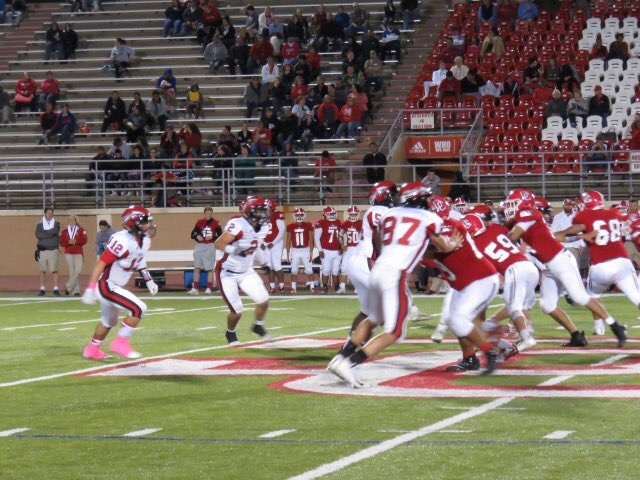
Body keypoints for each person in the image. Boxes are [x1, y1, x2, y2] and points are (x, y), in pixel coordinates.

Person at [327, 183, 471, 387]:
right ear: (417, 199)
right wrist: (453, 243)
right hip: (395, 274)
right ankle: (349, 364)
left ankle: (341, 357)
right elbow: (442, 246)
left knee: (374, 318)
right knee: (395, 331)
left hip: (378, 268)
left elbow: (384, 236)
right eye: (426, 199)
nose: (428, 202)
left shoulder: (390, 214)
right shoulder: (429, 218)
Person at [505, 189, 626, 347]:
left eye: (513, 203)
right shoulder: (531, 221)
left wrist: (503, 234)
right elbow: (555, 237)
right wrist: (581, 236)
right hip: (550, 266)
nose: (509, 208)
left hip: (560, 260)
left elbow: (513, 236)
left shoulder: (528, 213)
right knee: (547, 305)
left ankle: (615, 326)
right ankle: (576, 336)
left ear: (524, 203)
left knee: (579, 297)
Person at [556, 190, 638, 336]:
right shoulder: (613, 213)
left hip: (600, 265)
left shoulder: (584, 216)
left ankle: (599, 327)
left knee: (592, 295)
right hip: (622, 262)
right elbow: (627, 228)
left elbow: (561, 235)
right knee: (637, 297)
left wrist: (583, 235)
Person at [81, 206, 158, 360]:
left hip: (115, 285)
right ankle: (120, 342)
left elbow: (139, 260)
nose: (147, 225)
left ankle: (92, 349)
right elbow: (100, 263)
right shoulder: (122, 240)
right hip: (107, 285)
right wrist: (90, 288)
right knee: (139, 308)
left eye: (147, 222)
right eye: (143, 222)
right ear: (131, 223)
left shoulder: (144, 240)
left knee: (108, 321)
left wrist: (148, 279)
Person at [466, 210, 537, 351]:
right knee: (521, 306)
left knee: (513, 307)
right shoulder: (497, 228)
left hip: (513, 269)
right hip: (529, 265)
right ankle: (522, 333)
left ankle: (526, 337)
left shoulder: (475, 245)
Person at [214, 196, 271, 344]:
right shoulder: (238, 224)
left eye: (264, 211)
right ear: (249, 212)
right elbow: (218, 243)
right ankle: (230, 332)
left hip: (246, 271)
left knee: (263, 300)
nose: (264, 215)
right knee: (237, 311)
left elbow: (256, 246)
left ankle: (257, 326)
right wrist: (235, 250)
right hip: (227, 273)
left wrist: (264, 263)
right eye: (260, 212)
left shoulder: (263, 227)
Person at [188, 207, 221, 295]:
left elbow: (220, 235)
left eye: (210, 213)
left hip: (210, 245)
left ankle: (209, 288)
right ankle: (195, 288)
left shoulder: (216, 223)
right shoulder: (200, 222)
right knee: (197, 267)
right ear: (204, 213)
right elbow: (193, 233)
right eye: (207, 213)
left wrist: (213, 237)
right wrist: (197, 236)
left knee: (209, 267)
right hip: (200, 245)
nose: (208, 215)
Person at [286, 207, 316, 293]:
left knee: (309, 270)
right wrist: (288, 253)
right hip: (295, 250)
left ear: (304, 215)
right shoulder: (290, 226)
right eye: (297, 215)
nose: (299, 216)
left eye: (301, 215)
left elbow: (311, 240)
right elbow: (288, 241)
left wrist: (310, 252)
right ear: (294, 216)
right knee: (294, 270)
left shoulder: (308, 225)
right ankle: (293, 288)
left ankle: (312, 287)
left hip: (305, 250)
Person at [314, 206, 342, 293]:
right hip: (326, 250)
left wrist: (341, 247)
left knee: (336, 270)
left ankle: (336, 286)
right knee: (326, 269)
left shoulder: (338, 222)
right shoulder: (321, 223)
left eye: (333, 213)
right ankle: (325, 286)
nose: (332, 215)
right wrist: (320, 250)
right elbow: (317, 238)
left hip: (337, 250)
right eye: (330, 214)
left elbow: (340, 237)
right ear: (325, 214)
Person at [35, 207, 61, 297]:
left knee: (54, 270)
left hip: (53, 249)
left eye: (51, 213)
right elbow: (39, 235)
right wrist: (50, 233)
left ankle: (56, 288)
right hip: (42, 250)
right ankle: (42, 289)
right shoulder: (39, 224)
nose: (50, 214)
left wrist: (45, 233)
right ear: (45, 213)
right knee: (42, 270)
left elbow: (55, 232)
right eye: (49, 213)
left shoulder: (56, 223)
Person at [59, 215, 87, 297]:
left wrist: (76, 241)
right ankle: (76, 291)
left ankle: (68, 286)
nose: (71, 221)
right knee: (72, 272)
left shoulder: (81, 230)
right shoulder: (64, 231)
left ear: (75, 221)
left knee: (78, 270)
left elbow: (85, 240)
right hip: (68, 252)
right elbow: (61, 242)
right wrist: (68, 242)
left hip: (78, 252)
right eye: (69, 220)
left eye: (73, 220)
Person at [262, 199, 286, 293]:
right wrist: (261, 243)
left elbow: (281, 231)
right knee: (269, 266)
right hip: (266, 243)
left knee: (276, 265)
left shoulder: (277, 215)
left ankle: (281, 286)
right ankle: (272, 286)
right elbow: (258, 232)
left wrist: (273, 242)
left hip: (276, 243)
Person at [337, 206, 361, 293]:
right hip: (349, 248)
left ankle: (358, 287)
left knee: (357, 268)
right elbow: (339, 236)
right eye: (352, 214)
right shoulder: (345, 224)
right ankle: (342, 287)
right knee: (344, 267)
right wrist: (342, 244)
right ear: (349, 214)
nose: (353, 216)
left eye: (355, 214)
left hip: (359, 248)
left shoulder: (361, 223)